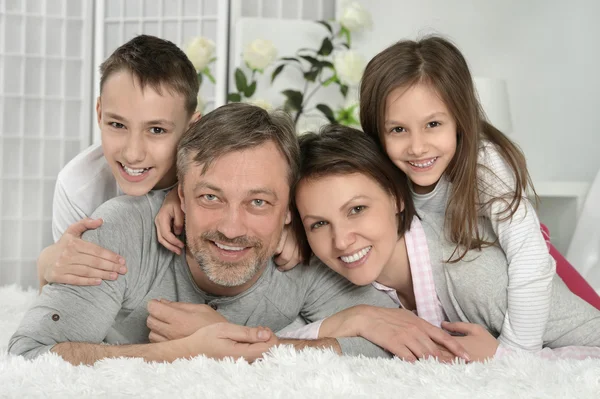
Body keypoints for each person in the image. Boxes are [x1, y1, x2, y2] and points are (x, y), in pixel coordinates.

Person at [9, 103, 405, 365]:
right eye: (211, 197)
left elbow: (390, 340)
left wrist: (241, 347)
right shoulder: (121, 232)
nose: (232, 228)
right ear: (179, 195)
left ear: (289, 211)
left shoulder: (308, 253)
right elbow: (30, 355)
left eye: (258, 203)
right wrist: (184, 351)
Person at [291, 125, 600, 362]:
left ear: (397, 197)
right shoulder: (325, 273)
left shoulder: (477, 275)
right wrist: (351, 320)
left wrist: (506, 358)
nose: (342, 241)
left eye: (357, 209)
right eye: (318, 223)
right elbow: (266, 340)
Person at [37, 34, 298, 290]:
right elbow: (65, 290)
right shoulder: (77, 186)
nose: (133, 153)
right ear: (99, 113)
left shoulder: (224, 169)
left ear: (191, 127)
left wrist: (295, 228)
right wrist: (46, 263)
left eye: (157, 130)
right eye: (117, 124)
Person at [358, 36, 558, 353]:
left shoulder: (484, 163)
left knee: (582, 321)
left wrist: (515, 353)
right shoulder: (380, 171)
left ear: (459, 120)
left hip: (533, 257)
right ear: (376, 132)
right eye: (398, 129)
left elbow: (531, 257)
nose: (417, 147)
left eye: (433, 124)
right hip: (486, 268)